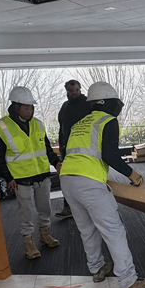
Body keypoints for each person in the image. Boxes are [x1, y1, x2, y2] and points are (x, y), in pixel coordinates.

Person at [58, 81, 145, 288]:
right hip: (89, 182)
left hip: (67, 180)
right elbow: (109, 155)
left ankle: (97, 268)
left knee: (87, 229)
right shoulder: (107, 121)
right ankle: (129, 282)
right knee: (113, 230)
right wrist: (134, 176)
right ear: (110, 103)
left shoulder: (79, 123)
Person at [0, 86, 62, 259]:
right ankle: (28, 243)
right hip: (20, 179)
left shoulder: (38, 124)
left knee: (45, 208)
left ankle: (45, 235)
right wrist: (7, 177)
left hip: (42, 175)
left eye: (31, 107)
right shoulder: (0, 127)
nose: (29, 110)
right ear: (15, 107)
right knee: (26, 212)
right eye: (25, 107)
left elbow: (46, 148)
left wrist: (56, 162)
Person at [55, 79, 89, 219]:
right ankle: (68, 207)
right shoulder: (65, 106)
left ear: (80, 89)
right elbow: (61, 126)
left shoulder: (88, 104)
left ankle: (86, 206)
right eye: (71, 91)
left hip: (84, 148)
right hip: (67, 149)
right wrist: (61, 144)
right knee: (67, 177)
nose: (74, 93)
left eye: (76, 90)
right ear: (66, 91)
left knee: (85, 177)